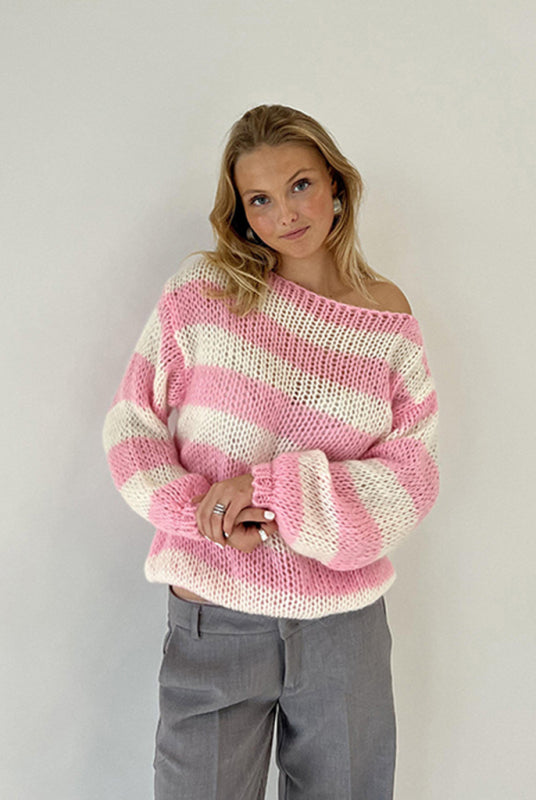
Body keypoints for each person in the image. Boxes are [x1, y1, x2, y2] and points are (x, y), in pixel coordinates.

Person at [102, 103, 440, 800]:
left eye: (300, 185)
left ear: (336, 184)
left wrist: (273, 490)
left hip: (343, 630)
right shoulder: (203, 293)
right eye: (259, 198)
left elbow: (410, 476)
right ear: (239, 211)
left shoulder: (386, 316)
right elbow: (133, 426)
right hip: (214, 618)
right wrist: (200, 511)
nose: (284, 213)